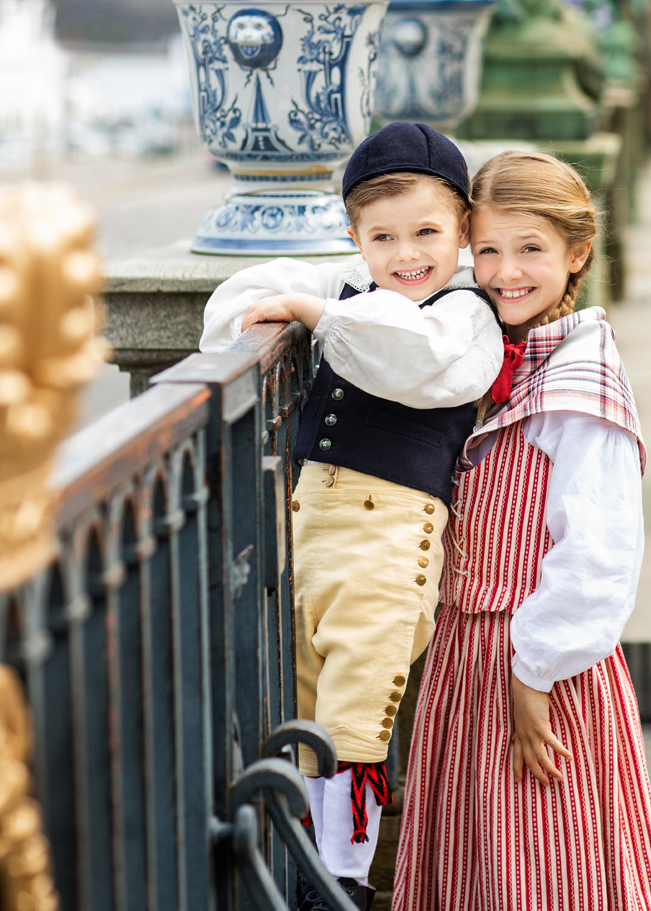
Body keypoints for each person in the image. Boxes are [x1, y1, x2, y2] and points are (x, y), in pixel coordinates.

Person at [200, 122, 504, 911]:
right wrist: (262, 312)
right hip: (314, 524)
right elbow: (245, 287)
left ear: (464, 230)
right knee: (307, 704)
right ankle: (307, 863)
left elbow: (420, 360)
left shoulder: (463, 312)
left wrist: (317, 310)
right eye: (384, 236)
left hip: (390, 529)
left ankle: (341, 877)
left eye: (428, 233)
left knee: (358, 710)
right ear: (354, 236)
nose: (408, 254)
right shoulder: (354, 284)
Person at [393, 150, 651, 911]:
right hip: (471, 654)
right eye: (485, 249)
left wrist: (532, 675)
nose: (503, 272)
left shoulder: (580, 388)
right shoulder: (504, 357)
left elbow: (598, 554)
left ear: (577, 254)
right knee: (477, 854)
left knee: (545, 861)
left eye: (530, 250)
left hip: (535, 666)